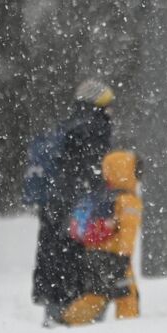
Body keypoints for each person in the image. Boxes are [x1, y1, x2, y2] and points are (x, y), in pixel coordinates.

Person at [33, 79, 115, 318]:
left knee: (54, 257)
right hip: (80, 206)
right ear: (98, 105)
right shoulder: (96, 127)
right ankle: (80, 318)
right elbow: (94, 171)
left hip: (54, 203)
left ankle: (54, 312)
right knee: (82, 260)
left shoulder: (67, 126)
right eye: (108, 104)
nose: (112, 110)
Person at [53, 150, 142, 326]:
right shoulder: (128, 200)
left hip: (93, 254)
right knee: (127, 296)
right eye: (136, 170)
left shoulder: (102, 196)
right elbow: (128, 232)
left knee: (96, 295)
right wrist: (124, 256)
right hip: (115, 256)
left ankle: (68, 320)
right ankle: (130, 330)